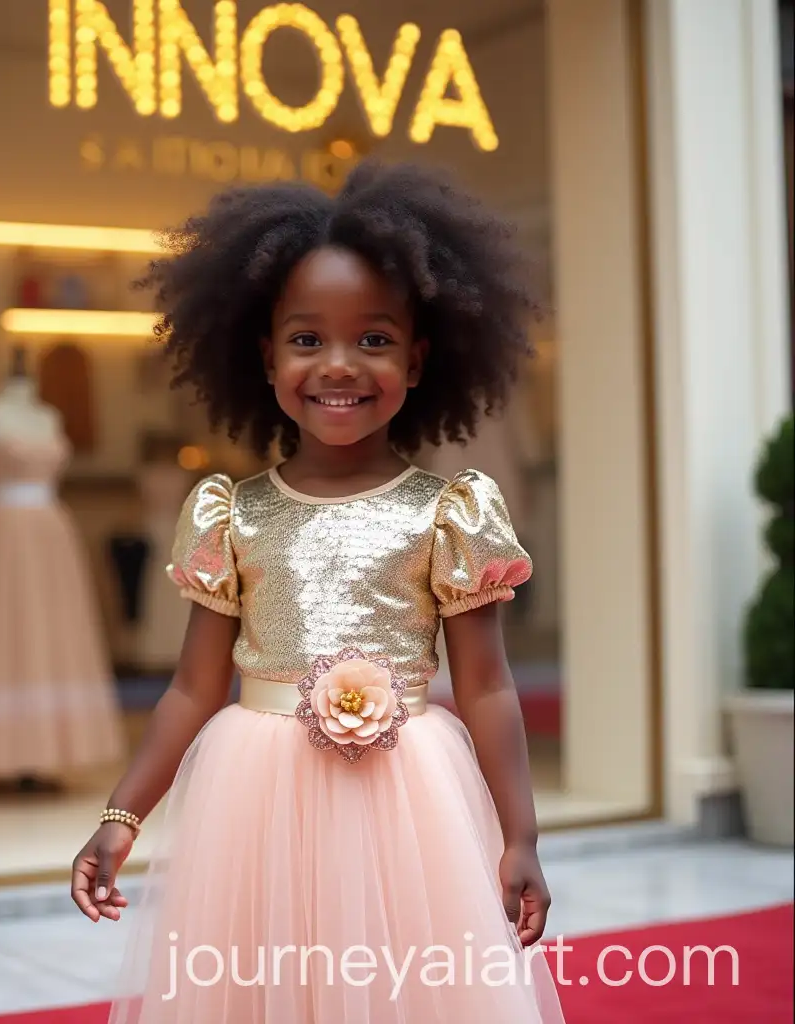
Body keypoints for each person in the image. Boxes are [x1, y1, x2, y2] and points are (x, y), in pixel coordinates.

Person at [71, 161, 566, 1022]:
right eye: (307, 340)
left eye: (372, 339)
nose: (339, 365)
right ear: (265, 358)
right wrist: (124, 813)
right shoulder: (233, 515)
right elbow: (193, 687)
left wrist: (519, 834)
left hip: (407, 803)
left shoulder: (448, 512)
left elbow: (485, 684)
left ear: (416, 361)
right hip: (254, 801)